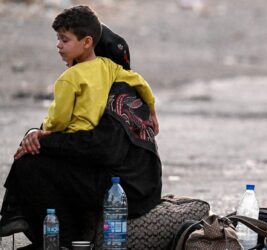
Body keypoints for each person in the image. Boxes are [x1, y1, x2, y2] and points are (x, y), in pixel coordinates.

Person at [0, 6, 162, 250]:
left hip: (129, 190)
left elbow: (100, 148)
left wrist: (41, 140)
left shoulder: (117, 92)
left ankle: (64, 241)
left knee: (31, 164)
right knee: (38, 152)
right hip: (129, 180)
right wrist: (38, 136)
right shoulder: (121, 81)